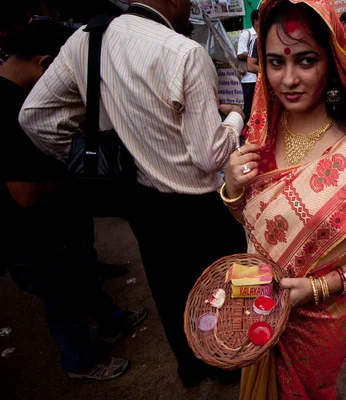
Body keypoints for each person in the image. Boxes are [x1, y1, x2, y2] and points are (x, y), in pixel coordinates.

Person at [19, 1, 247, 387]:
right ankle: (224, 367)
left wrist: (92, 152)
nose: (189, 8)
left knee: (168, 287)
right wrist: (235, 114)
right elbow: (210, 155)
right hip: (198, 206)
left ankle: (190, 367)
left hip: (140, 198)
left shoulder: (86, 40)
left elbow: (36, 117)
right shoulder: (185, 52)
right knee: (219, 289)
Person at [222, 0, 346, 398]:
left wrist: (318, 288)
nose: (289, 79)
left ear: (332, 62)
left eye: (305, 60)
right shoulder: (261, 136)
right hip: (260, 301)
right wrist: (231, 187)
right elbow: (252, 222)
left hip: (323, 316)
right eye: (276, 63)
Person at [0, 20, 147, 381]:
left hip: (60, 228)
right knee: (62, 299)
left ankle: (112, 320)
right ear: (45, 63)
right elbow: (26, 194)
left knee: (80, 272)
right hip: (31, 236)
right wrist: (79, 171)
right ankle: (80, 362)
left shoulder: (20, 96)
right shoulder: (8, 112)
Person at [238, 10, 260, 119]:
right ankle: (247, 132)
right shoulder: (247, 34)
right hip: (249, 79)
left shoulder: (264, 35)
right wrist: (254, 54)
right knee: (249, 107)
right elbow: (240, 53)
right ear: (256, 21)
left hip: (259, 78)